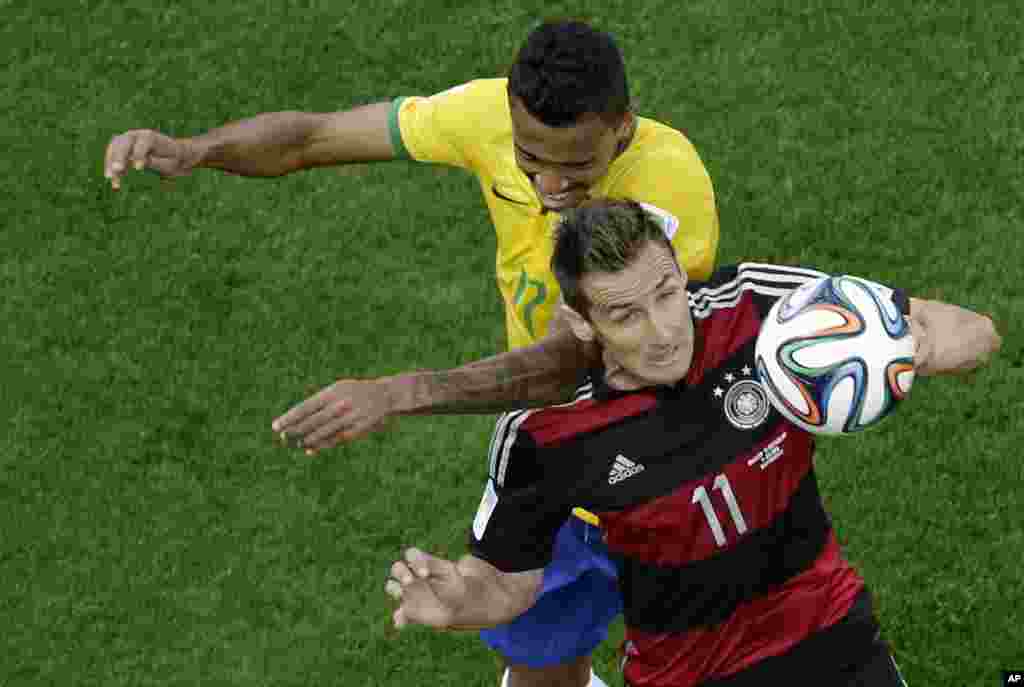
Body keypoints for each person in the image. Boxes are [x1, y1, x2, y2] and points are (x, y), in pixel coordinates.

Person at [104, 21, 720, 687]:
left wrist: (402, 391)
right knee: (542, 667)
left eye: (576, 170)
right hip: (565, 471)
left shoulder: (664, 186)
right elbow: (317, 136)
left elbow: (574, 362)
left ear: (621, 131)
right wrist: (199, 149)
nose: (548, 187)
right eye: (530, 160)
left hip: (674, 466)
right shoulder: (484, 116)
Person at [383, 199, 1002, 687]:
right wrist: (461, 600)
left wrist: (914, 345)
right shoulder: (543, 434)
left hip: (827, 629)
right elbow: (508, 583)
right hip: (689, 674)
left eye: (666, 293)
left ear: (679, 271)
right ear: (581, 322)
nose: (662, 331)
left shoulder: (757, 309)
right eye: (624, 315)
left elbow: (972, 331)